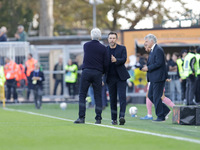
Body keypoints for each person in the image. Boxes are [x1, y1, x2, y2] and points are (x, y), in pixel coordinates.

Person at [74, 28, 109, 124]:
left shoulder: (86, 45)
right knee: (98, 95)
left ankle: (81, 118)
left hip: (86, 71)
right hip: (97, 73)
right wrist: (103, 75)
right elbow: (106, 63)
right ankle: (98, 118)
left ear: (91, 36)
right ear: (100, 37)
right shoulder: (103, 48)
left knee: (82, 95)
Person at [140, 44, 175, 120]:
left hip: (157, 78)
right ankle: (164, 111)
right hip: (153, 78)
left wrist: (165, 76)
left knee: (159, 97)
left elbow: (160, 64)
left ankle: (168, 110)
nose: (145, 48)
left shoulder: (157, 50)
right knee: (151, 96)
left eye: (145, 45)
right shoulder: (153, 52)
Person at [106, 32, 130, 125]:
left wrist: (116, 60)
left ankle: (122, 117)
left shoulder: (122, 48)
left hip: (121, 77)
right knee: (112, 99)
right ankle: (114, 119)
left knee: (122, 98)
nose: (112, 40)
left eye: (113, 38)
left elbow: (124, 59)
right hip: (110, 78)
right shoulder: (105, 50)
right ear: (108, 39)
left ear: (116, 39)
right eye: (110, 38)